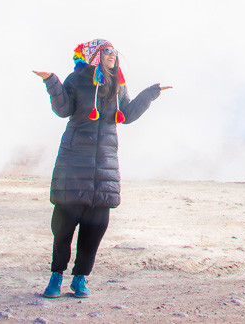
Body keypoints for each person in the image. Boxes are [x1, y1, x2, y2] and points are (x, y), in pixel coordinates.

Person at [33, 38, 171, 299]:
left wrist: (150, 93)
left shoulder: (118, 84)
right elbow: (63, 110)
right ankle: (56, 275)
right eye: (107, 51)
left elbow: (127, 114)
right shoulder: (76, 80)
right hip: (74, 163)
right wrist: (51, 80)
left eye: (114, 52)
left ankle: (80, 278)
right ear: (95, 55)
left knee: (97, 225)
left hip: (104, 166)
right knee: (63, 225)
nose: (113, 55)